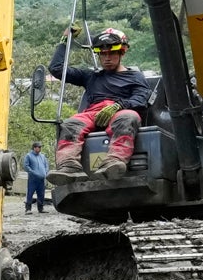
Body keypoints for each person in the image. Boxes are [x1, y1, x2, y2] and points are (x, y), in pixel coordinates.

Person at [42, 27, 157, 174]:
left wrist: (119, 106)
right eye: (103, 54)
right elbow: (57, 69)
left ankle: (114, 162)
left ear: (121, 52)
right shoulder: (91, 77)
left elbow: (141, 99)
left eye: (111, 53)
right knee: (71, 124)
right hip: (92, 113)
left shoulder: (135, 77)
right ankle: (69, 166)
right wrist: (66, 40)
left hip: (120, 111)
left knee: (129, 117)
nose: (107, 58)